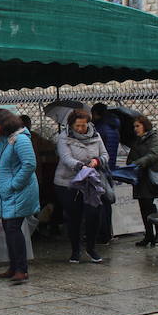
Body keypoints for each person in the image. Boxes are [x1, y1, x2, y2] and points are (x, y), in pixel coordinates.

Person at [0, 109, 39, 284]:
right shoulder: (2, 140)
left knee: (13, 229)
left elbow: (29, 164)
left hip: (18, 192)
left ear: (5, 124)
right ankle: (14, 266)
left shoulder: (21, 140)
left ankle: (21, 270)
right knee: (9, 229)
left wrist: (14, 185)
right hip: (6, 192)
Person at [54, 109, 109, 264]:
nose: (80, 129)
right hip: (68, 182)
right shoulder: (64, 137)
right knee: (74, 217)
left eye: (83, 125)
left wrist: (96, 161)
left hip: (91, 182)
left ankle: (91, 248)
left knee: (93, 215)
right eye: (77, 126)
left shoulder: (96, 136)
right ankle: (75, 250)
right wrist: (80, 166)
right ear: (71, 125)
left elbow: (105, 155)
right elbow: (65, 158)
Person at [127, 115, 158, 247]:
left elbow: (154, 154)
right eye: (134, 126)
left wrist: (138, 163)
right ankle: (149, 234)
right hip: (140, 178)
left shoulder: (154, 138)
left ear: (145, 125)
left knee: (150, 206)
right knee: (143, 207)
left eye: (138, 126)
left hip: (151, 177)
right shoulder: (137, 141)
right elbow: (131, 157)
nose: (135, 129)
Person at [91, 103, 121, 244]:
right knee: (107, 202)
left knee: (100, 203)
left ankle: (102, 234)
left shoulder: (100, 130)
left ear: (96, 113)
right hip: (110, 168)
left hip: (100, 168)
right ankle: (107, 233)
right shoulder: (114, 128)